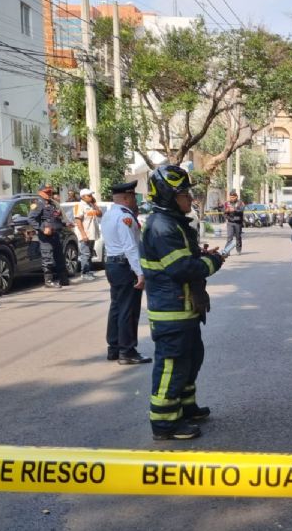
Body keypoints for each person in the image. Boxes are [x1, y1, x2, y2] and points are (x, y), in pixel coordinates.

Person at [142, 165, 225, 441]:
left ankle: (185, 407)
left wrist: (199, 253)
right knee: (173, 364)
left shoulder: (172, 223)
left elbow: (181, 258)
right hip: (171, 310)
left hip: (184, 308)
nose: (190, 199)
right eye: (184, 194)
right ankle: (165, 423)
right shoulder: (162, 226)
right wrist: (211, 261)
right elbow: (181, 269)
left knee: (191, 359)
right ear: (168, 196)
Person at [99, 181, 151, 365]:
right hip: (124, 265)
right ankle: (127, 351)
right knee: (128, 309)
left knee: (117, 308)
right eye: (133, 197)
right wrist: (140, 273)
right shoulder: (124, 217)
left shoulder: (109, 214)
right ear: (127, 198)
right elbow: (130, 247)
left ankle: (114, 348)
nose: (135, 201)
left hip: (113, 264)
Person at [29, 183, 68, 289]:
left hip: (55, 233)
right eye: (47, 192)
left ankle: (63, 278)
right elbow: (31, 219)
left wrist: (65, 224)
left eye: (50, 191)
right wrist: (42, 229)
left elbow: (56, 217)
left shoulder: (52, 203)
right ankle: (48, 281)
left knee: (59, 257)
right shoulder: (38, 203)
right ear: (40, 192)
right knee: (47, 258)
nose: (49, 193)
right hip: (45, 237)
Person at [73, 188, 103, 281]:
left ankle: (89, 271)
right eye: (89, 195)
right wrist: (83, 234)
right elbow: (78, 220)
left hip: (92, 234)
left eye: (91, 195)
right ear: (83, 197)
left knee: (89, 254)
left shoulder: (91, 205)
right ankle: (84, 273)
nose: (91, 197)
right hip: (85, 234)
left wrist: (94, 204)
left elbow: (100, 214)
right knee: (85, 254)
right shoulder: (79, 205)